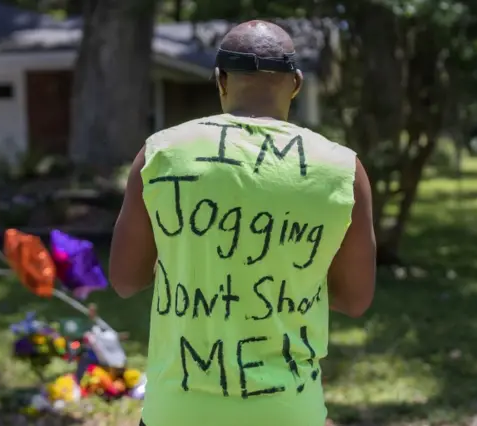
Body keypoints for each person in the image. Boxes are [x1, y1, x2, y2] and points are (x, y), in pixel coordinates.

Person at [109, 19, 376, 426]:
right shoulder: (342, 169)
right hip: (288, 412)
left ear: (220, 80)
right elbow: (354, 300)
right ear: (297, 84)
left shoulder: (160, 154)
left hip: (176, 413)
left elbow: (126, 279)